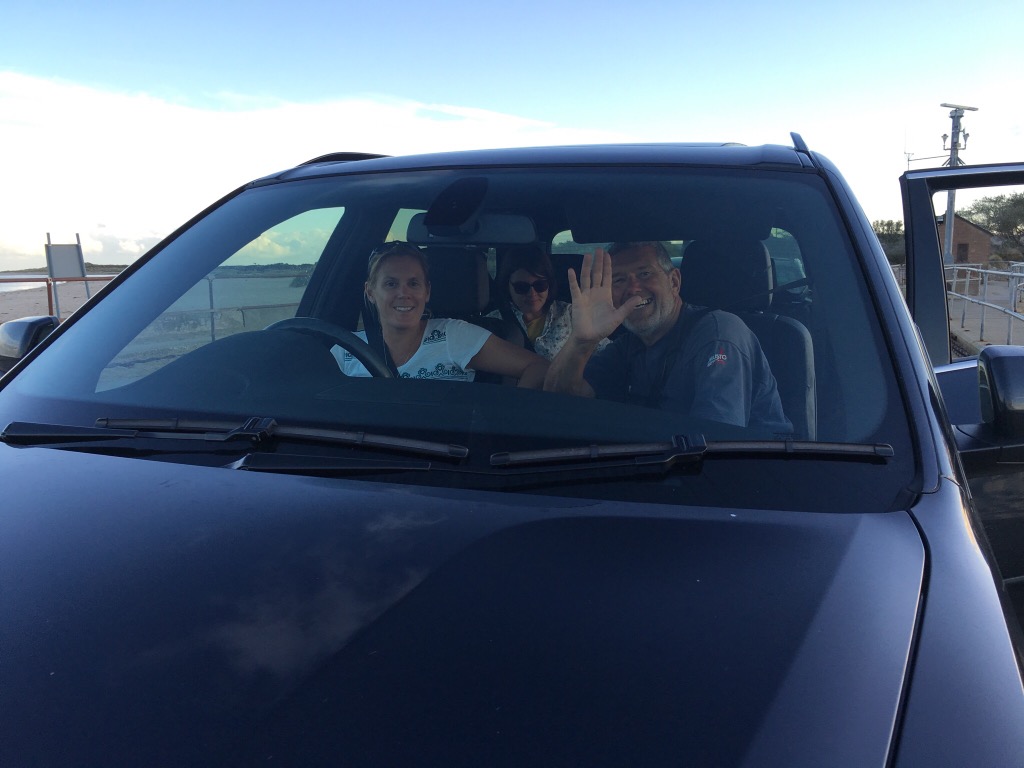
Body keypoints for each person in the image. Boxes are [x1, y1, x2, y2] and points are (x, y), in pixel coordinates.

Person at [543, 241, 791, 431]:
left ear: (674, 282)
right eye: (619, 280)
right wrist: (582, 342)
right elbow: (560, 402)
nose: (633, 289)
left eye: (644, 274)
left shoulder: (720, 335)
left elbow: (717, 443)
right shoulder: (628, 347)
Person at [334, 241, 548, 387]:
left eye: (413, 283)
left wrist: (508, 419)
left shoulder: (453, 335)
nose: (403, 293)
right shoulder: (346, 350)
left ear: (427, 292)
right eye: (391, 284)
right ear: (370, 292)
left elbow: (538, 366)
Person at [487, 245, 609, 360]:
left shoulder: (572, 314)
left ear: (549, 284)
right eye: (522, 287)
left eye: (540, 285)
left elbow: (607, 354)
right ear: (507, 286)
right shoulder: (493, 323)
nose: (532, 293)